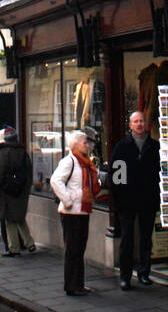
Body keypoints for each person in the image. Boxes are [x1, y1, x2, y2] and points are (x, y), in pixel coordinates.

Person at [110, 110, 161, 289]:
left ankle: (144, 273)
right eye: (136, 121)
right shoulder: (122, 147)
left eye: (141, 121)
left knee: (146, 239)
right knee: (127, 238)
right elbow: (116, 178)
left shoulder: (154, 147)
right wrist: (121, 199)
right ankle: (125, 276)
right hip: (128, 202)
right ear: (130, 125)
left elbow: (158, 175)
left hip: (147, 200)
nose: (139, 124)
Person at [50, 129, 99, 296]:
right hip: (71, 213)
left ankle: (79, 284)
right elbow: (56, 181)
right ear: (76, 145)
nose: (87, 145)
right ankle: (71, 286)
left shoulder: (85, 162)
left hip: (82, 211)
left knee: (80, 249)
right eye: (85, 142)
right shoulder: (69, 161)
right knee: (72, 250)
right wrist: (68, 200)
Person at [0, 126, 35, 256]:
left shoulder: (4, 153)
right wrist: (26, 189)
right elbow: (29, 173)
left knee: (10, 220)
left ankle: (14, 248)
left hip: (7, 192)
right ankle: (29, 242)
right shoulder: (23, 152)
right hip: (21, 191)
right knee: (19, 217)